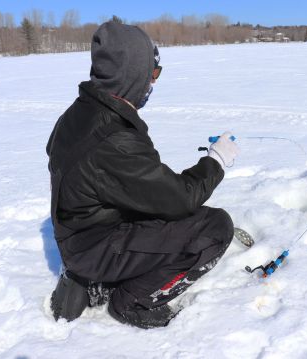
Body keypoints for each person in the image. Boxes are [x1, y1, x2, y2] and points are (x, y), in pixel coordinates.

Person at [46, 21, 239, 329]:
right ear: (131, 74)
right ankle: (133, 300)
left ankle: (92, 277)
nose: (153, 83)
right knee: (214, 228)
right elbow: (180, 198)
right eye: (153, 73)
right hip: (94, 246)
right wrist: (215, 162)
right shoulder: (114, 138)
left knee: (169, 217)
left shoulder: (79, 112)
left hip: (79, 235)